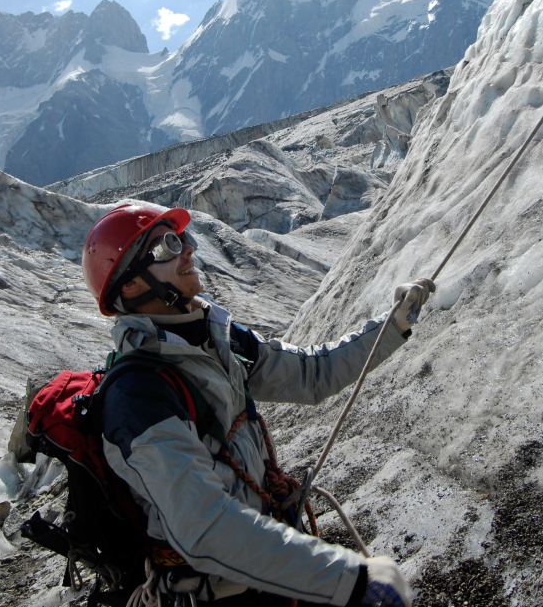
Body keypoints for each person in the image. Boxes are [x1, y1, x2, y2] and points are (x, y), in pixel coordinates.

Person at [81, 202, 436, 606]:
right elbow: (207, 528)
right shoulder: (138, 396)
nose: (188, 249)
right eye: (167, 245)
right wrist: (347, 580)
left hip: (266, 573)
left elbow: (310, 373)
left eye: (183, 238)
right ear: (130, 285)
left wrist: (391, 327)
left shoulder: (216, 340)